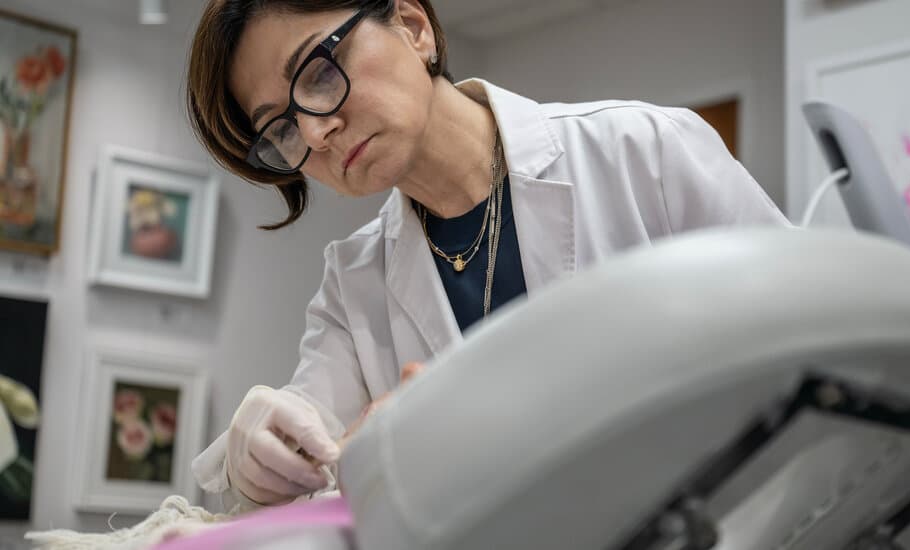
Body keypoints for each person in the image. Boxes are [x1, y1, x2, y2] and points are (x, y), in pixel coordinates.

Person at [185, 0, 790, 513]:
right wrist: (261, 454)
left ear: (412, 27)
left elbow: (812, 339)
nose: (315, 133)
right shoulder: (354, 285)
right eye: (282, 130)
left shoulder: (641, 153)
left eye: (317, 72)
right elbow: (307, 445)